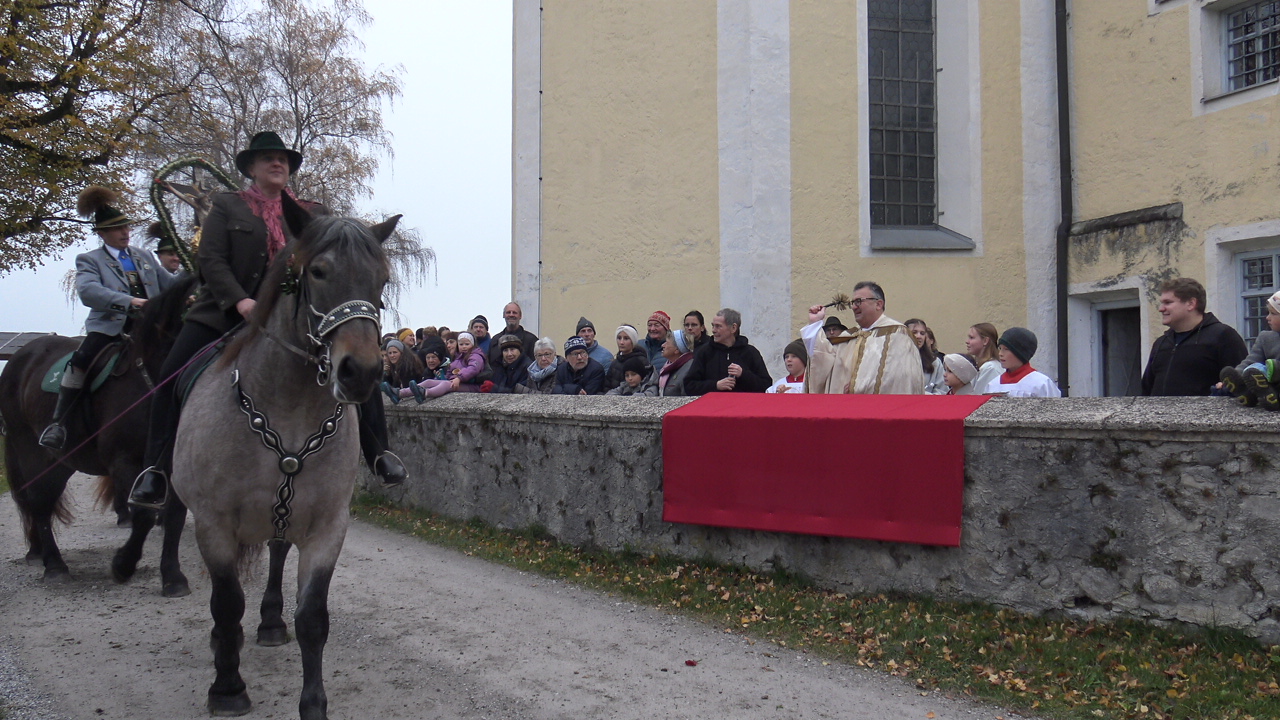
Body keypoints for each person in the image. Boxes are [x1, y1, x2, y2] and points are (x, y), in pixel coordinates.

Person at [130, 131, 407, 508]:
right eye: (267, 159)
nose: (277, 163)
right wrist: (241, 301)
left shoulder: (314, 215)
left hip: (293, 318)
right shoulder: (227, 208)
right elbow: (211, 261)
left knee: (360, 362)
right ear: (251, 168)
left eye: (284, 159)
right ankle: (156, 471)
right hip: (225, 312)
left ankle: (380, 453)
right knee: (171, 374)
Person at [38, 186, 179, 449]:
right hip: (110, 328)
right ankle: (59, 423)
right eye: (117, 229)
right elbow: (89, 292)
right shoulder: (89, 260)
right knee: (82, 358)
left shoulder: (145, 256)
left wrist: (198, 270)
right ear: (102, 234)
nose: (125, 232)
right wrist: (129, 301)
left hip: (151, 328)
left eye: (126, 227)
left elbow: (170, 285)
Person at [800, 282, 923, 395]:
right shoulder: (848, 337)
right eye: (853, 303)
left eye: (859, 301)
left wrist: (856, 386)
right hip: (845, 411)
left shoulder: (898, 335)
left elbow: (902, 378)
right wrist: (815, 324)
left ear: (878, 304)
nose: (854, 307)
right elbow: (821, 361)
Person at [1142, 277, 1248, 396]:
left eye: (1168, 302)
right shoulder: (1161, 343)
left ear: (1191, 304)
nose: (1161, 309)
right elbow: (1146, 390)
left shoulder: (1223, 336)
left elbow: (1241, 386)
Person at [682, 308, 772, 394]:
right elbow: (689, 386)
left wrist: (743, 374)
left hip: (743, 407)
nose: (713, 330)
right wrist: (715, 385)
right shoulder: (704, 352)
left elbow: (766, 386)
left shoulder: (751, 352)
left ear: (733, 328)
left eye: (718, 326)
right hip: (713, 407)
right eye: (713, 326)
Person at [1219, 290, 1280, 410]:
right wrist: (1236, 375)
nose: (1267, 317)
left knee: (1272, 369)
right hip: (1268, 381)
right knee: (1255, 368)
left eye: (1273, 313)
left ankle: (1270, 394)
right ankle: (1250, 393)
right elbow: (1250, 360)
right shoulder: (1266, 337)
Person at [399, 331, 487, 401]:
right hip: (457, 381)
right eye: (461, 344)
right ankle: (401, 393)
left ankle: (425, 393)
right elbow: (450, 373)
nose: (464, 347)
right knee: (429, 381)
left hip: (472, 385)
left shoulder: (475, 355)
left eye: (467, 344)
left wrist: (459, 378)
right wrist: (441, 377)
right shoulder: (458, 358)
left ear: (472, 345)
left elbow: (473, 369)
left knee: (446, 384)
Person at [984, 327, 1061, 397]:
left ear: (1020, 353)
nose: (1000, 353)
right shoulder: (993, 385)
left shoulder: (1041, 384)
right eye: (1000, 348)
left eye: (1006, 349)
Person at [488, 301, 538, 369]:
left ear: (520, 316)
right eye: (508, 312)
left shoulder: (531, 340)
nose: (511, 315)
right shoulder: (495, 340)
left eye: (514, 312)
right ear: (503, 315)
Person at [648, 329, 696, 397]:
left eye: (666, 343)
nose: (662, 345)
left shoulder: (688, 369)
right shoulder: (668, 366)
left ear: (676, 350)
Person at [906, 318, 946, 394]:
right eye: (914, 332)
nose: (919, 336)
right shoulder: (894, 360)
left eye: (922, 333)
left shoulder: (934, 362)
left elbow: (942, 391)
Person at [605, 324, 650, 392]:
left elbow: (646, 385)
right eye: (619, 338)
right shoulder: (615, 363)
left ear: (633, 341)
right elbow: (606, 386)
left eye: (626, 338)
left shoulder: (642, 361)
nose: (621, 342)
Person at [965, 323, 1002, 396]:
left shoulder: (990, 368)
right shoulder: (983, 366)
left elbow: (979, 398)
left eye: (971, 337)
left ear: (985, 341)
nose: (967, 341)